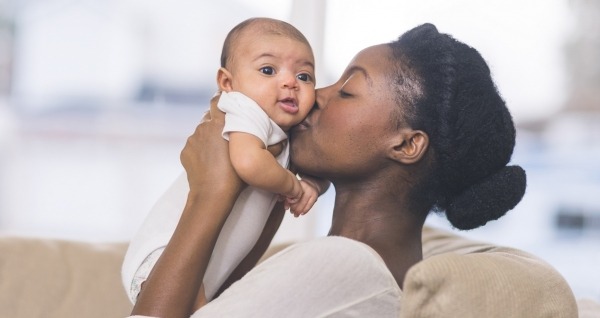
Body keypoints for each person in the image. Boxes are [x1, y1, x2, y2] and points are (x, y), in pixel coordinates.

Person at [129, 23, 527, 317]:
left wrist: (210, 193)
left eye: (347, 91)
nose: (313, 96)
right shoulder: (358, 271)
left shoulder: (345, 268)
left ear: (407, 144)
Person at [122, 17, 328, 305]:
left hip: (210, 264)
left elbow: (324, 163)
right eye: (268, 70)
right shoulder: (243, 108)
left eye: (304, 76)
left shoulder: (287, 129)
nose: (290, 82)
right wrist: (295, 188)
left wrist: (316, 185)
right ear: (227, 83)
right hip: (163, 253)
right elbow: (249, 162)